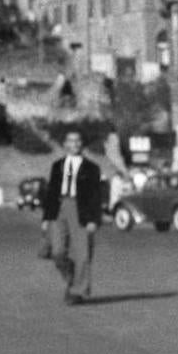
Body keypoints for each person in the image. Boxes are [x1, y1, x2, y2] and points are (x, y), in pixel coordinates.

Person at [42, 129, 103, 305]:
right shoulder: (57, 165)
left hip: (81, 209)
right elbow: (51, 192)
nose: (75, 144)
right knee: (57, 251)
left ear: (82, 144)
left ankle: (77, 291)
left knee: (83, 253)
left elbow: (96, 195)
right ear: (65, 144)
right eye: (71, 140)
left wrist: (94, 219)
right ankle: (71, 275)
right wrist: (46, 218)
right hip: (59, 208)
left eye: (78, 141)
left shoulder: (92, 168)